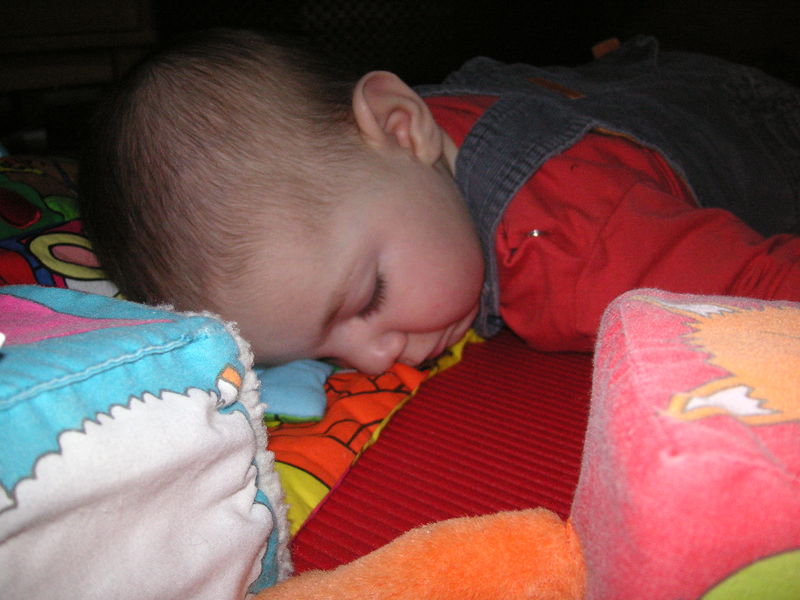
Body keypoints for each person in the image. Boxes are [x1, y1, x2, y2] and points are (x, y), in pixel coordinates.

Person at [79, 29, 800, 375]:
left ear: (403, 125)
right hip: (621, 88)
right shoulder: (391, 158)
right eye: (320, 354)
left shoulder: (575, 250)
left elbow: (766, 292)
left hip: (757, 123)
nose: (373, 361)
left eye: (367, 298)